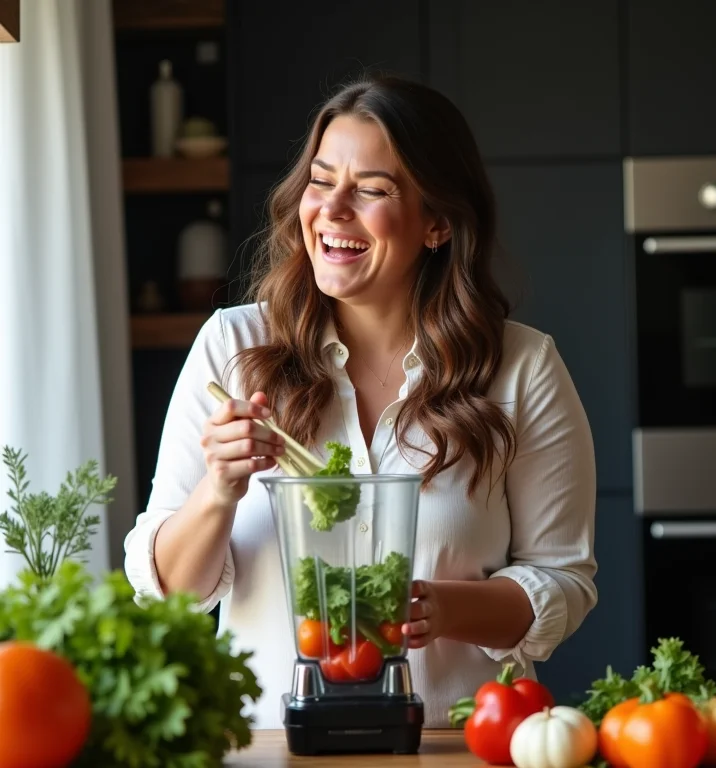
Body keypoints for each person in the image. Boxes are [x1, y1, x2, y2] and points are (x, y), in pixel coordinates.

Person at [124, 74, 597, 729]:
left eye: (372, 190)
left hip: (451, 745)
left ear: (437, 223)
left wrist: (439, 607)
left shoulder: (522, 367)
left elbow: (563, 580)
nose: (333, 209)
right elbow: (169, 594)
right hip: (270, 747)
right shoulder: (233, 345)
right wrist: (219, 489)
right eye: (321, 181)